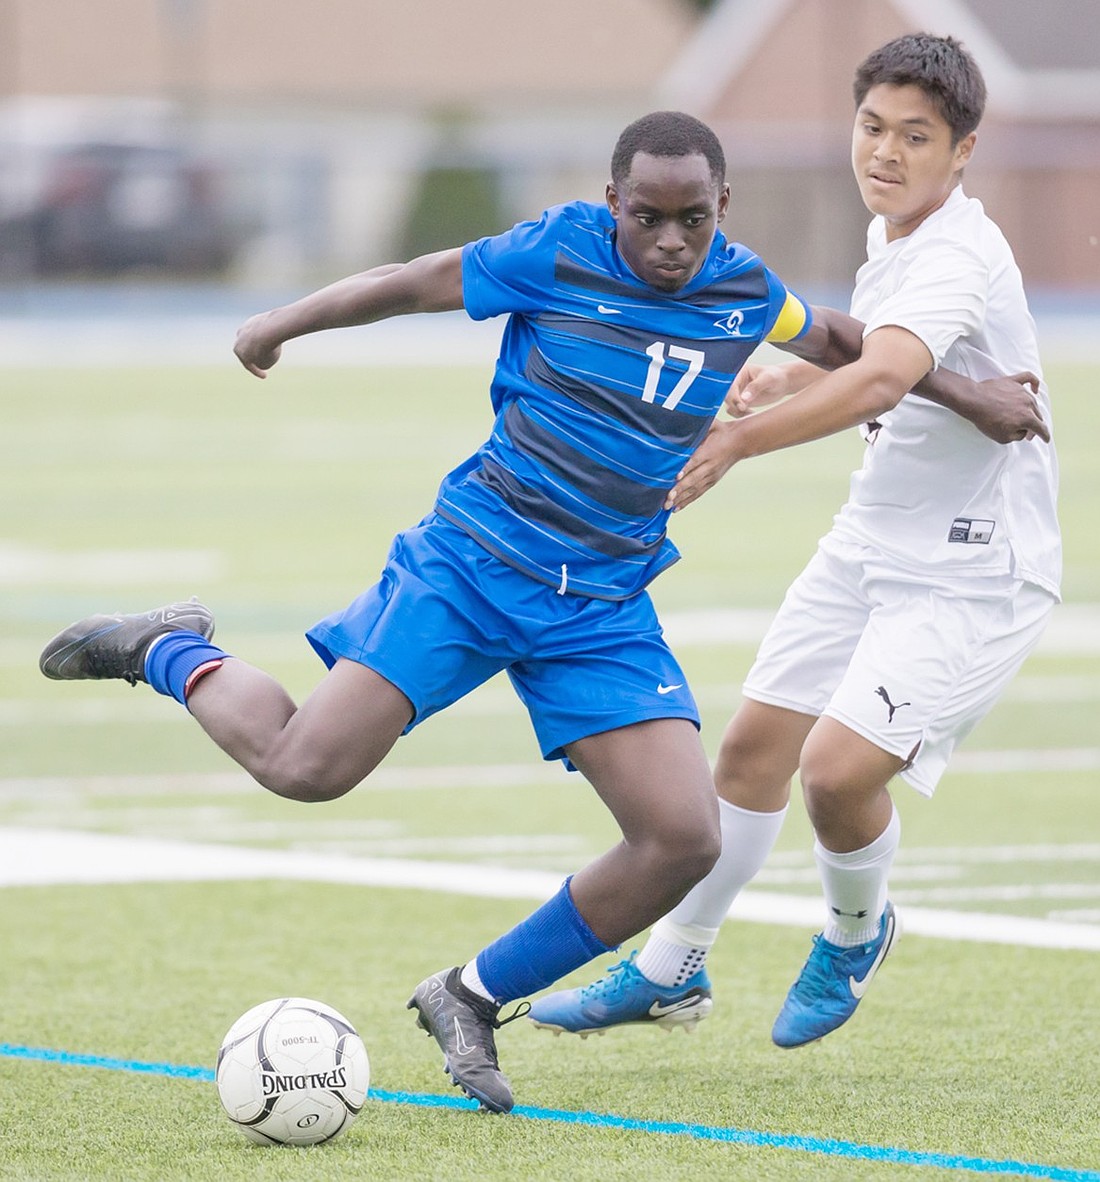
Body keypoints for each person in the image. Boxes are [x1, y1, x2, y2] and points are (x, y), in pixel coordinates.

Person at [39, 109, 1044, 1113]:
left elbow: (837, 337)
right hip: (473, 562)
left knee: (680, 838)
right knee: (306, 769)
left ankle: (469, 994)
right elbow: (413, 282)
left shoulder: (738, 286)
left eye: (689, 220)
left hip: (601, 599)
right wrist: (282, 320)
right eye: (644, 218)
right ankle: (168, 648)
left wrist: (966, 394)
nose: (666, 242)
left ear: (720, 209)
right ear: (611, 205)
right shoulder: (554, 251)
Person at [528, 35, 1060, 1050]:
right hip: (872, 538)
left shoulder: (955, 250)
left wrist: (736, 437)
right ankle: (669, 968)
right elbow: (871, 348)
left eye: (916, 137)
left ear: (963, 152)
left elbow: (879, 376)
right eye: (871, 128)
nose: (886, 153)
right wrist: (789, 374)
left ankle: (856, 932)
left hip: (968, 569)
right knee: (749, 752)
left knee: (833, 774)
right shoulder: (894, 235)